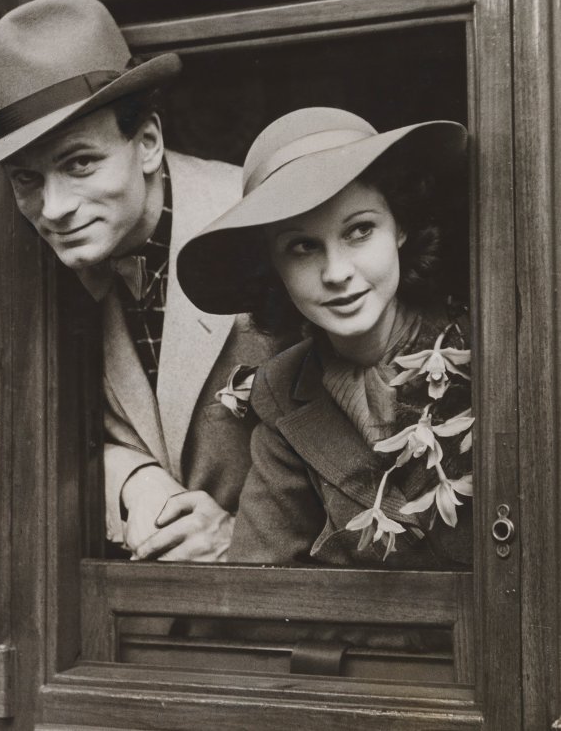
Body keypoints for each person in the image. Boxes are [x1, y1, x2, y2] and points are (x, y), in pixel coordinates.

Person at [0, 0, 286, 561]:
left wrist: (244, 539)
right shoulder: (41, 269)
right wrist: (130, 475)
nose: (54, 208)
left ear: (148, 143)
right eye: (27, 179)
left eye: (80, 163)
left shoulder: (265, 226)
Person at [177, 107, 473, 568]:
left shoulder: (481, 346)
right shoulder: (281, 392)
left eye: (359, 231)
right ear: (273, 266)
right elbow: (262, 581)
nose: (337, 273)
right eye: (303, 247)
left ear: (401, 227)